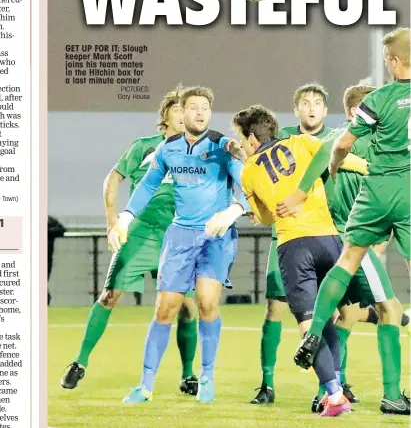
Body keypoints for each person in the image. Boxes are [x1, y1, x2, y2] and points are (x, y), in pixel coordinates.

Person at [294, 27, 411, 415]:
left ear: (393, 62)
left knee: (348, 259)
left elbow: (340, 144)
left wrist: (334, 165)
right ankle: (392, 393)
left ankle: (312, 335)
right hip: (410, 191)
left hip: (376, 191)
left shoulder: (378, 100)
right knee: (392, 307)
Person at [108, 86, 249, 404]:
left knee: (206, 302)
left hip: (215, 237)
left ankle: (207, 376)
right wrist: (127, 217)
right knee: (164, 309)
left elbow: (249, 186)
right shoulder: (168, 150)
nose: (200, 113)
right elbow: (147, 184)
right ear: (181, 113)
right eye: (194, 107)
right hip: (180, 237)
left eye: (205, 108)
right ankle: (145, 386)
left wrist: (233, 210)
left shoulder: (223, 148)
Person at [232, 104, 369, 417]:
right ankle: (331, 392)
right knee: (327, 318)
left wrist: (260, 212)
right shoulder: (304, 143)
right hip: (329, 239)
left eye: (242, 139)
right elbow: (342, 158)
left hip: (294, 246)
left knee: (309, 324)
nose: (241, 144)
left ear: (253, 139)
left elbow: (267, 217)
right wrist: (372, 168)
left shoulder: (249, 168)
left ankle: (334, 396)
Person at [60, 88, 199, 396]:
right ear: (166, 116)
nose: (185, 115)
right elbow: (112, 178)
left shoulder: (198, 152)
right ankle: (79, 363)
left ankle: (189, 374)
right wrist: (112, 222)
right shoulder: (145, 147)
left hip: (177, 237)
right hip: (141, 233)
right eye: (179, 109)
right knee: (110, 295)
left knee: (188, 308)